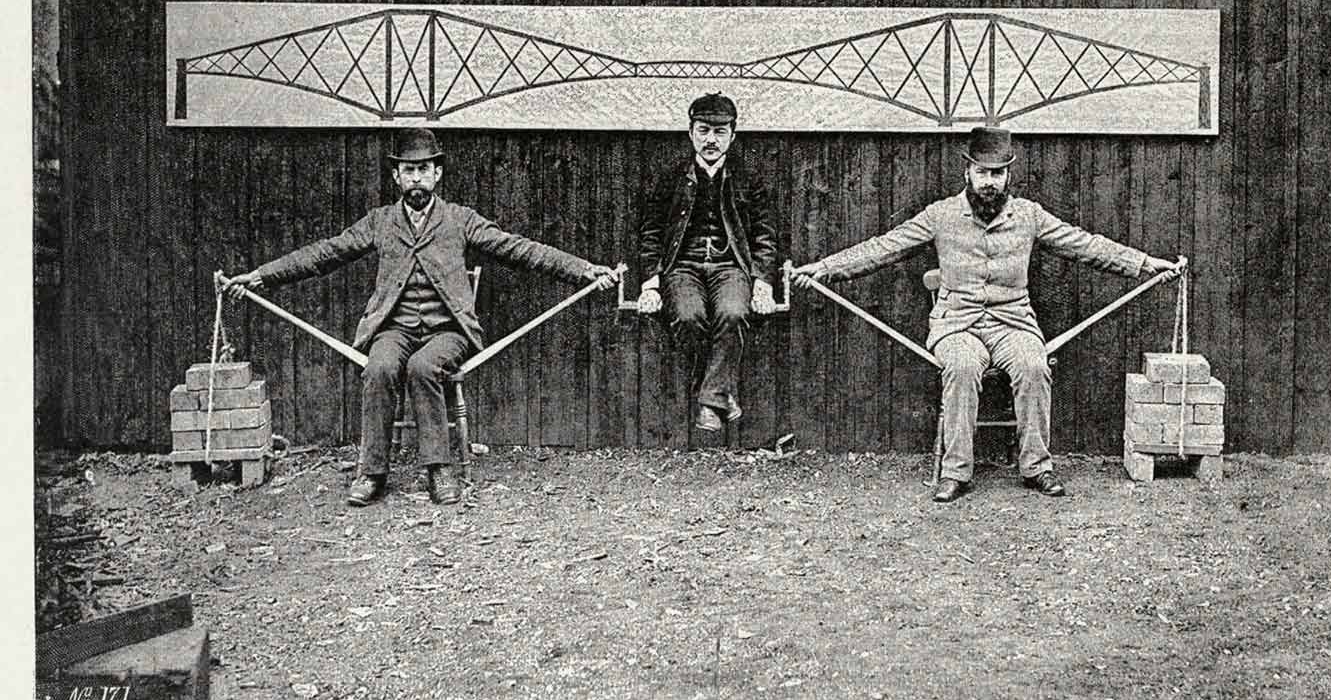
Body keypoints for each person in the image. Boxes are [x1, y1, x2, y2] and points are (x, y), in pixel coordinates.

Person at [224, 127, 618, 507]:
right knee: (379, 368)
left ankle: (438, 469)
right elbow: (325, 253)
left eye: (424, 169)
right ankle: (372, 473)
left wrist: (583, 269)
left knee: (423, 367)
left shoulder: (461, 220)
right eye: (409, 170)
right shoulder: (380, 221)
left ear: (438, 174)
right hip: (393, 329)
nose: (417, 178)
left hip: (448, 332)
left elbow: (519, 249)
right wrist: (261, 277)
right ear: (396, 176)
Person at [792, 126, 1179, 502]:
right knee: (961, 367)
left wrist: (1146, 264)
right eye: (982, 172)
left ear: (1009, 174)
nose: (989, 182)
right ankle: (955, 472)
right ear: (968, 172)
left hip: (1013, 324)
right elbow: (884, 247)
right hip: (956, 325)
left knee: (1033, 365)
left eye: (998, 173)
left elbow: (1085, 244)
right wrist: (824, 268)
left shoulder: (1029, 216)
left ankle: (1036, 467)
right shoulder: (940, 215)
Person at [637, 93, 779, 440]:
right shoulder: (670, 176)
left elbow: (765, 234)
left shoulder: (749, 177)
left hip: (731, 266)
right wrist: (651, 284)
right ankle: (720, 396)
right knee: (687, 317)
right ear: (690, 133)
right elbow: (651, 232)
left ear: (733, 134)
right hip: (682, 266)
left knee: (733, 312)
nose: (711, 139)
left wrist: (762, 282)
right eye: (703, 130)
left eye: (719, 131)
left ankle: (709, 401)